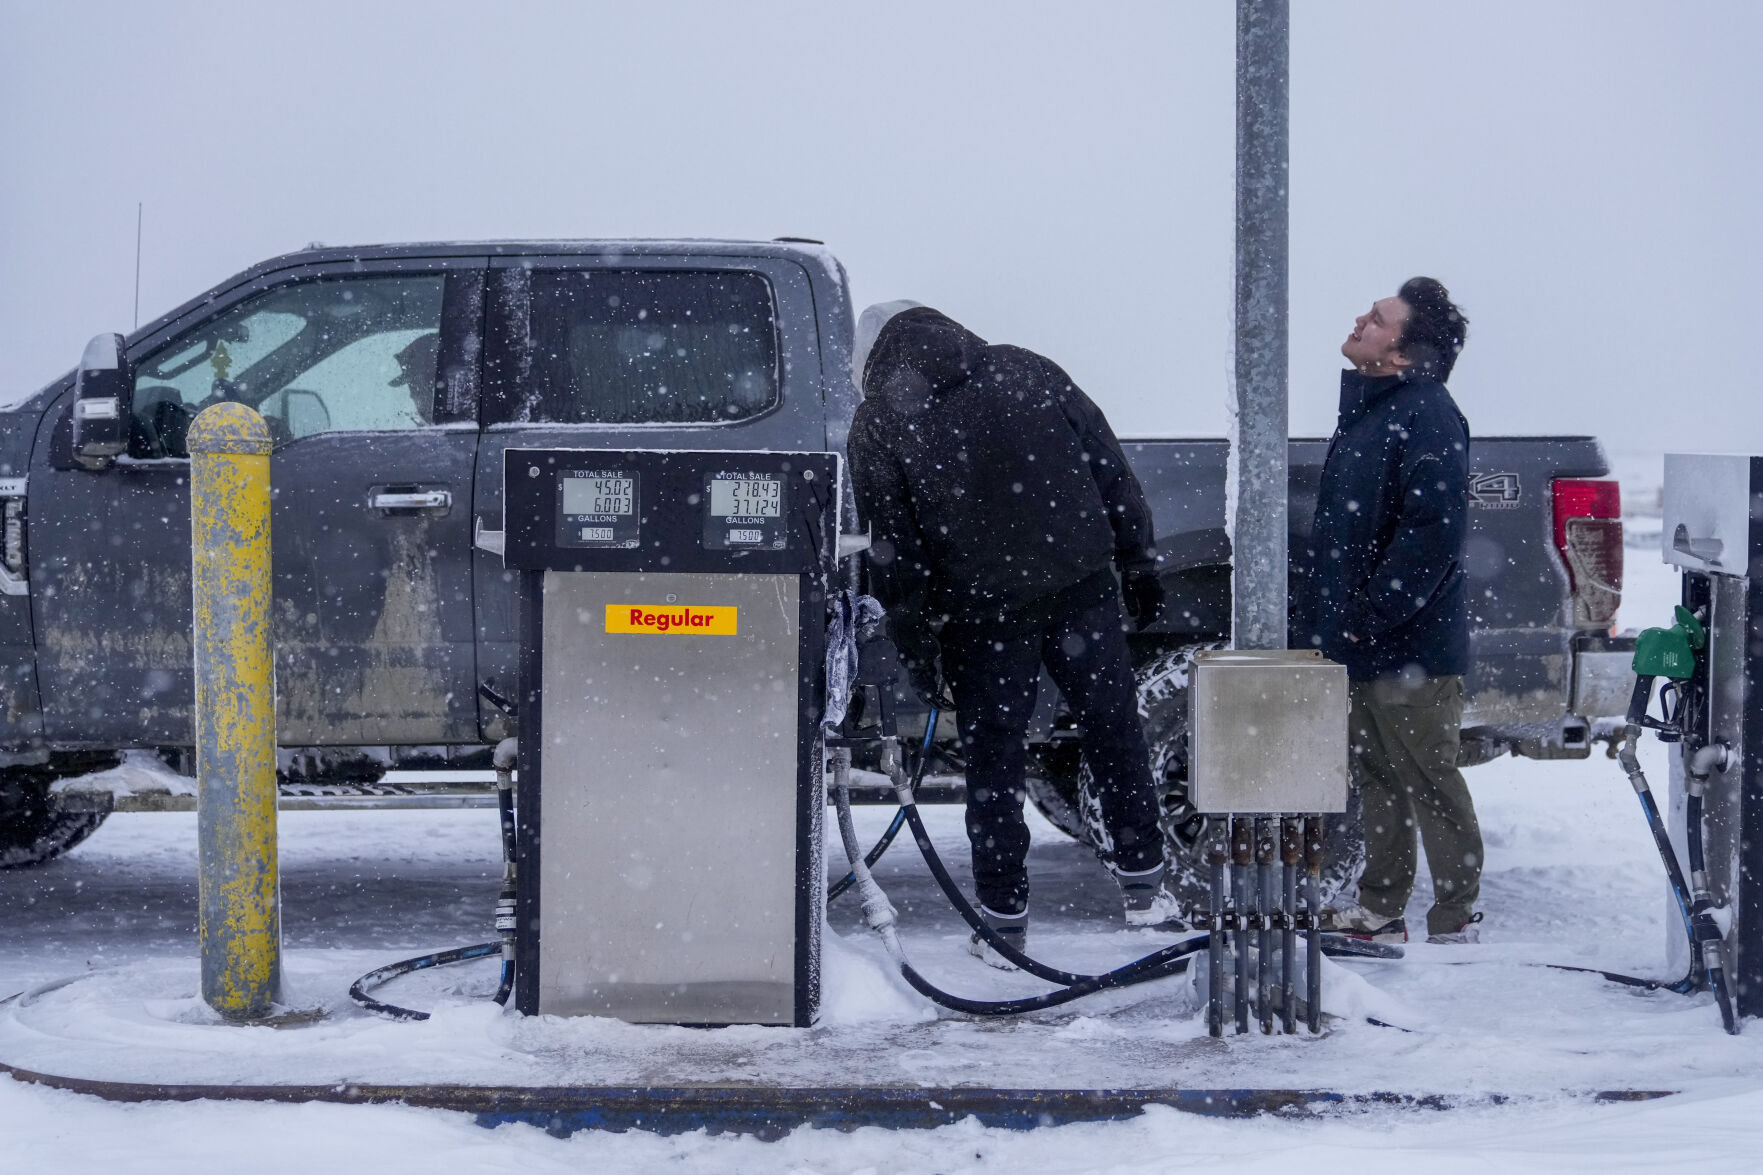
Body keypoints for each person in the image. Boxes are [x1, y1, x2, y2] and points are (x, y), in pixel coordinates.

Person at [846, 302, 1172, 967]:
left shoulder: (877, 422)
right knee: (1112, 730)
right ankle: (1145, 887)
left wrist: (916, 646)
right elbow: (1109, 467)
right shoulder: (1026, 367)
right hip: (1079, 586)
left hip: (984, 613)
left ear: (873, 358)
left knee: (994, 759)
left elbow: (895, 553)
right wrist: (1137, 559)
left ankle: (1004, 919)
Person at [1301, 277, 1483, 946]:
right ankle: (1381, 909)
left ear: (1402, 354)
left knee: (1427, 774)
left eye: (1376, 319)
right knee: (1377, 774)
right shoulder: (1372, 413)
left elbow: (1430, 531)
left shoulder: (1426, 413)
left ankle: (1455, 915)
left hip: (1412, 644)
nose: (1359, 319)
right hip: (1366, 638)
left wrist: (1372, 612)